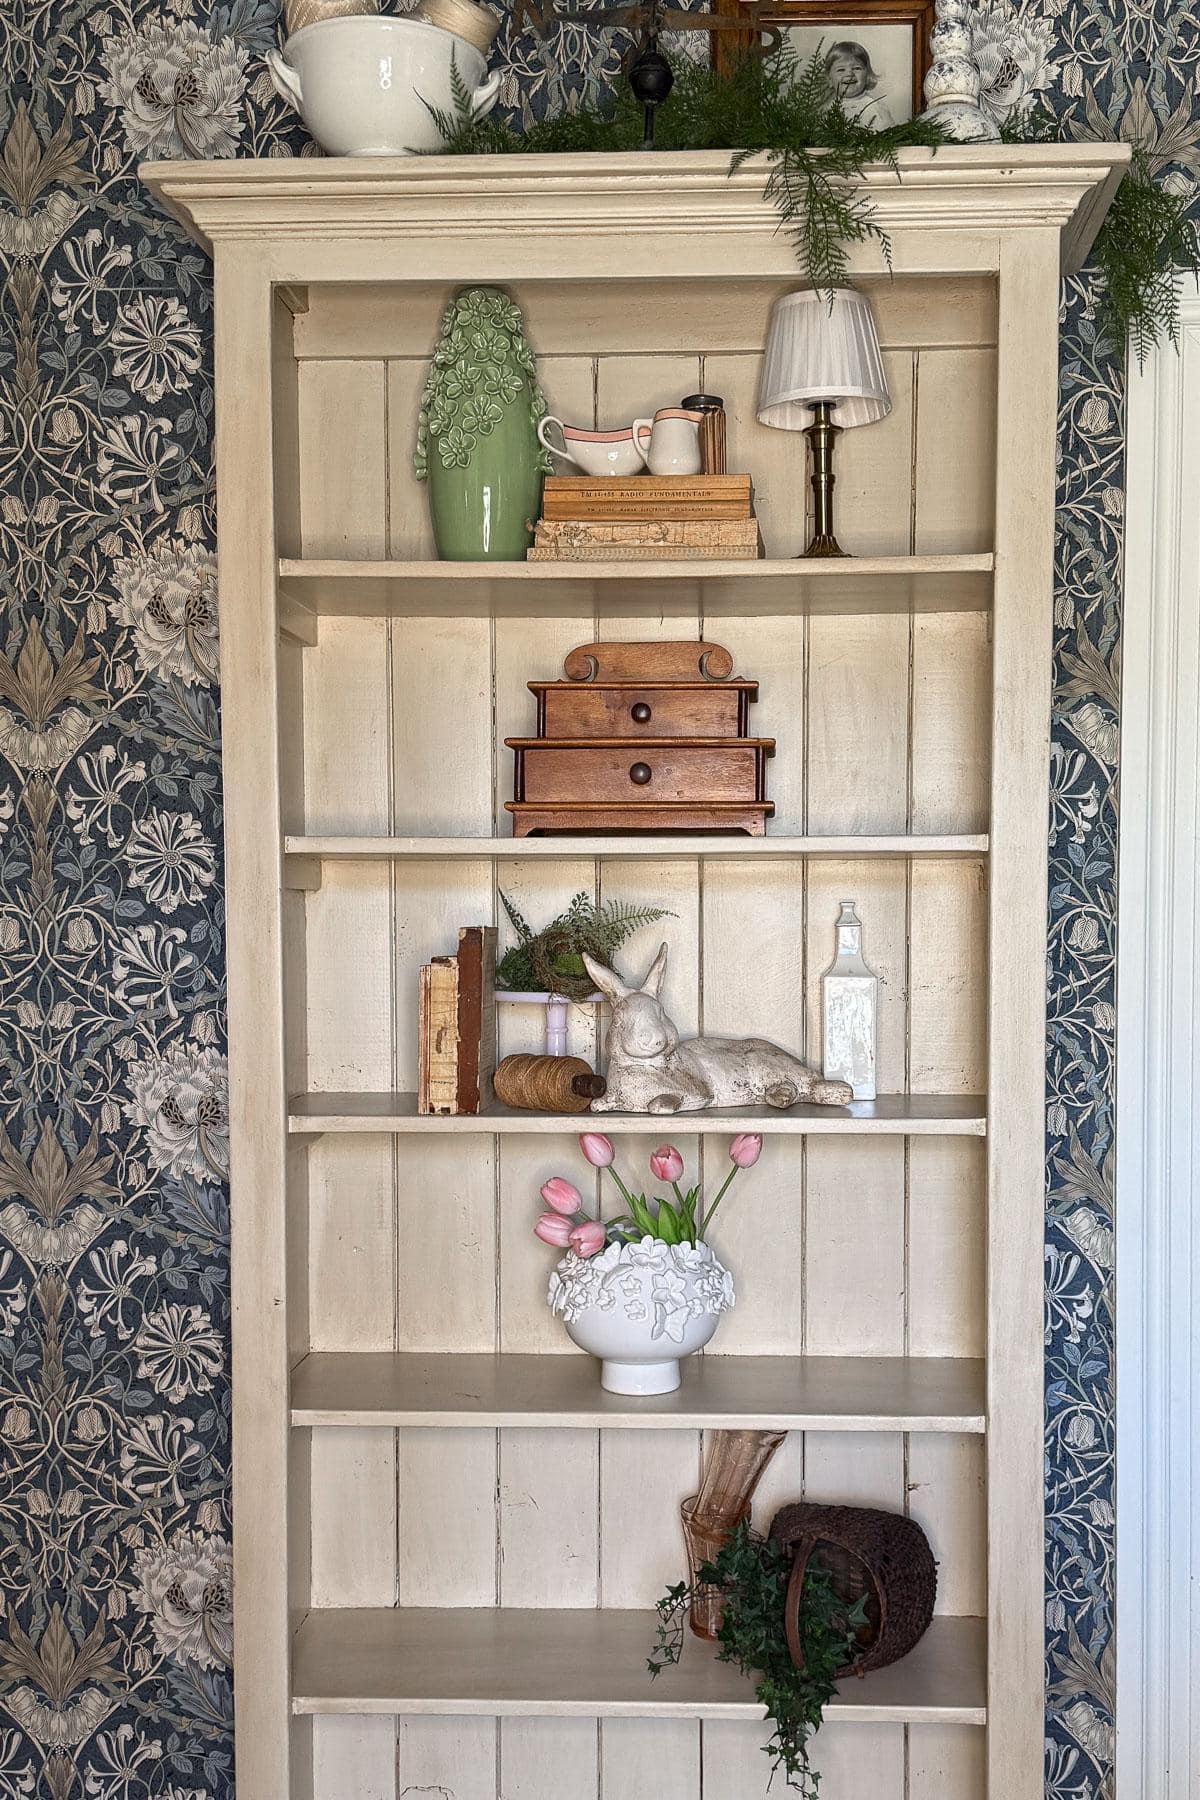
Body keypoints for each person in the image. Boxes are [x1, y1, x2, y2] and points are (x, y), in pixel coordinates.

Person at [824, 40, 896, 128]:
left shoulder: (874, 107)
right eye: (841, 70)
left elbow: (888, 137)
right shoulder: (828, 109)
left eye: (856, 68)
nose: (849, 74)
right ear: (830, 80)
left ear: (867, 75)